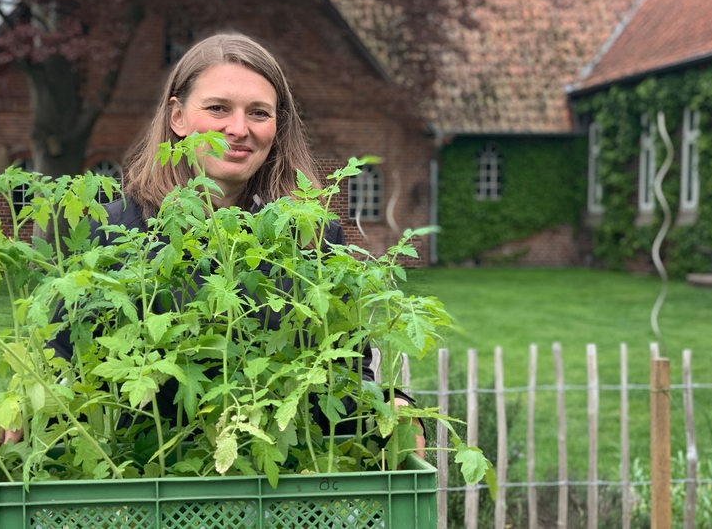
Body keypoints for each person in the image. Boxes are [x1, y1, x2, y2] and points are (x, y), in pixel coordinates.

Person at [41, 32, 424, 456]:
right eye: (218, 108)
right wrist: (26, 408)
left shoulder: (312, 236)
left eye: (259, 113)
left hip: (279, 496)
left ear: (277, 127)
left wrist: (391, 403)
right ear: (178, 117)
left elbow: (344, 375)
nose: (238, 129)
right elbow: (62, 365)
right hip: (144, 482)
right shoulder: (114, 233)